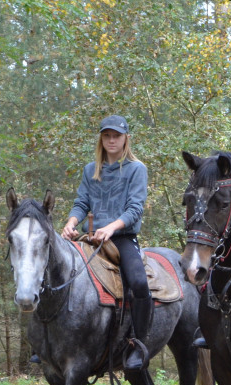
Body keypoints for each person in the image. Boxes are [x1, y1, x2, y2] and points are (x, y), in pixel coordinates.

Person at [61, 115, 151, 371]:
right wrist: (71, 223)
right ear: (101, 139)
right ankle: (48, 341)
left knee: (138, 282)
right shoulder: (91, 169)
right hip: (89, 238)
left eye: (117, 136)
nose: (112, 140)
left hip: (121, 238)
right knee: (53, 268)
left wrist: (110, 228)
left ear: (126, 139)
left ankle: (138, 346)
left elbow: (135, 209)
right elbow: (81, 203)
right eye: (107, 136)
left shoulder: (137, 169)